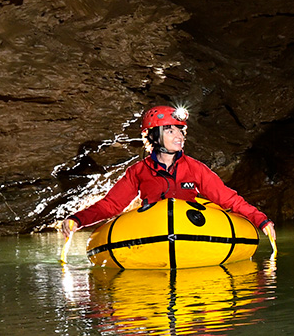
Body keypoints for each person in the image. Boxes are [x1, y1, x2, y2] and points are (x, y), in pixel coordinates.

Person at [58, 106, 277, 247]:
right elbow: (111, 205)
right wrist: (78, 219)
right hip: (153, 233)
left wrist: (261, 219)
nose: (179, 136)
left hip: (192, 230)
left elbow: (227, 198)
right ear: (155, 136)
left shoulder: (195, 168)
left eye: (181, 130)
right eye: (171, 131)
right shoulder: (138, 171)